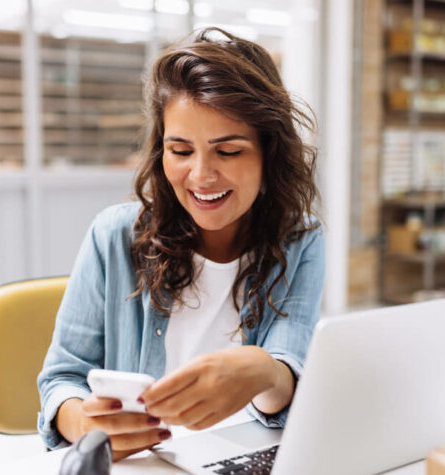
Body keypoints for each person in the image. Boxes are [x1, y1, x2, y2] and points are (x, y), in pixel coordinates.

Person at [37, 27, 325, 461]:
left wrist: (266, 371)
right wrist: (84, 424)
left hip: (242, 460)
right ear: (161, 151)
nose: (202, 176)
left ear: (270, 152)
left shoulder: (300, 239)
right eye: (181, 150)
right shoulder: (113, 236)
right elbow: (62, 378)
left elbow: (288, 375)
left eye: (228, 152)